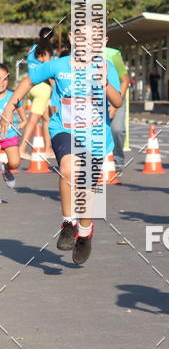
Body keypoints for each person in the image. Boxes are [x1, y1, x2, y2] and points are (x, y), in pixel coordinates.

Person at [1, 30, 122, 264]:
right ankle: (68, 222)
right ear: (71, 37)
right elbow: (29, 80)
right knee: (67, 167)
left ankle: (85, 233)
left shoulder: (106, 66)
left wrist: (104, 83)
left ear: (103, 42)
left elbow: (117, 101)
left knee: (88, 190)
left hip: (96, 135)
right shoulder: (59, 65)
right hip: (64, 129)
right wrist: (10, 106)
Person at [20, 28, 55, 159]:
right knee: (33, 120)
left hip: (30, 85)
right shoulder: (46, 50)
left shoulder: (33, 48)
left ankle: (48, 149)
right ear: (51, 38)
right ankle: (22, 149)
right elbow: (49, 69)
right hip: (42, 87)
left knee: (47, 118)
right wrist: (56, 86)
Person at [0, 63, 27, 189]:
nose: (2, 82)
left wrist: (23, 122)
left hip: (9, 135)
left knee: (15, 163)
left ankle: (5, 169)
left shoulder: (13, 96)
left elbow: (23, 116)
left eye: (4, 79)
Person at [104, 45, 130, 175]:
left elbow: (125, 81)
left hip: (115, 96)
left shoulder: (113, 54)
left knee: (117, 129)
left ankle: (118, 161)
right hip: (94, 98)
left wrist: (115, 105)